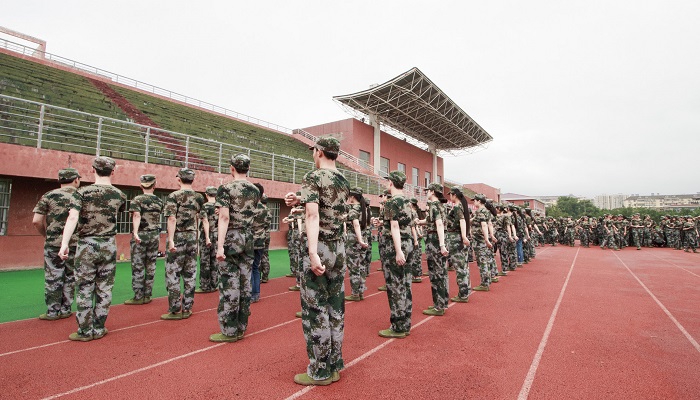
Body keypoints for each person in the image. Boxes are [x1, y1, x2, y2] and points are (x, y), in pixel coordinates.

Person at [285, 137, 349, 386]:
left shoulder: (314, 176)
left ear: (320, 152)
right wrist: (299, 200)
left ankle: (319, 370)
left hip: (320, 244)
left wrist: (312, 252)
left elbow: (314, 215)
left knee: (315, 310)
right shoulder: (343, 180)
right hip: (339, 248)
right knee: (336, 307)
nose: (313, 155)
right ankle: (334, 363)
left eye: (314, 151)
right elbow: (326, 207)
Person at [58, 156, 127, 341]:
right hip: (108, 244)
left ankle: (85, 330)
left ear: (92, 170)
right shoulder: (120, 195)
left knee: (84, 287)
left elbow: (72, 218)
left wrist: (64, 243)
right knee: (104, 288)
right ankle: (99, 327)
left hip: (86, 244)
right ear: (113, 172)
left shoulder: (81, 192)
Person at [210, 154, 260, 342]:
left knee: (229, 284)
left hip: (231, 237)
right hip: (248, 237)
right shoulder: (255, 190)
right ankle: (241, 326)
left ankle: (229, 330)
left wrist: (220, 246)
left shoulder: (225, 188)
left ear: (232, 168)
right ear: (247, 169)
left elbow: (224, 217)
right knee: (245, 283)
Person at [32, 167, 81, 320]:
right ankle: (66, 309)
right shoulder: (81, 196)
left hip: (53, 243)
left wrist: (46, 235)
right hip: (75, 243)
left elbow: (36, 221)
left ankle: (53, 311)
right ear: (76, 180)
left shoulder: (48, 196)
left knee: (53, 276)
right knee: (70, 276)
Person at [161, 168, 207, 321]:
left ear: (179, 179)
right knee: (190, 273)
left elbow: (171, 219)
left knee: (173, 273)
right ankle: (187, 307)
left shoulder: (173, 196)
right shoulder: (199, 197)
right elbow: (203, 219)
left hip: (179, 235)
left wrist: (172, 239)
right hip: (192, 236)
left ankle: (175, 309)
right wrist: (201, 240)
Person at [377, 171, 415, 338]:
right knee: (405, 283)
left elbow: (394, 226)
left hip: (395, 246)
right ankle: (405, 322)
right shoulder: (407, 201)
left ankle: (398, 326)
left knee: (395, 286)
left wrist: (398, 251)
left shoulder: (392, 202)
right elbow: (409, 225)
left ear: (391, 183)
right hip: (408, 243)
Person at [125, 174, 163, 305]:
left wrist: (135, 232)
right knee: (151, 265)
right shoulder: (159, 201)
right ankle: (148, 295)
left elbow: (136, 215)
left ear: (141, 186)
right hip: (154, 235)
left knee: (138, 265)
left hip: (141, 234)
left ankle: (138, 296)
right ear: (154, 185)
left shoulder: (137, 200)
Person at [415, 183, 449, 316]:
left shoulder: (434, 205)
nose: (426, 193)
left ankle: (438, 306)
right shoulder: (441, 206)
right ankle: (443, 301)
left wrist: (441, 245)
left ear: (433, 192)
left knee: (436, 274)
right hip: (438, 238)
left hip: (435, 241)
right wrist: (420, 222)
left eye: (427, 191)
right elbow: (434, 221)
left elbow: (439, 224)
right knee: (441, 272)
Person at [446, 187, 471, 303]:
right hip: (459, 238)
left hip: (456, 239)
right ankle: (466, 290)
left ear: (454, 195)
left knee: (460, 267)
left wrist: (464, 237)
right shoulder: (462, 206)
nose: (450, 197)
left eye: (450, 194)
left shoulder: (457, 207)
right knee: (464, 266)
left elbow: (462, 220)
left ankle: (463, 294)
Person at [344, 187, 369, 302]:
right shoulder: (363, 209)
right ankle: (361, 291)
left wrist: (359, 240)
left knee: (354, 267)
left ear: (352, 197)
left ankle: (355, 293)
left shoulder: (353, 209)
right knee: (362, 266)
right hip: (364, 238)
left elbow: (356, 225)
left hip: (354, 240)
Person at [196, 186, 219, 293]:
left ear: (206, 194)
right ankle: (214, 284)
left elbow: (205, 221)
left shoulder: (204, 207)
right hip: (217, 235)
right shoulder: (220, 206)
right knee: (214, 260)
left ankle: (205, 286)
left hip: (207, 235)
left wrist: (207, 237)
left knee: (205, 261)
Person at [471, 194, 494, 291]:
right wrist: (491, 235)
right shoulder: (486, 211)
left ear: (479, 201)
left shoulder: (480, 211)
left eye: (475, 200)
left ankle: (484, 284)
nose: (474, 202)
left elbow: (484, 225)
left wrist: (486, 239)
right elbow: (489, 224)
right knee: (486, 260)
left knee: (482, 261)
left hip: (479, 240)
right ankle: (487, 281)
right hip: (482, 239)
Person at [251, 184, 269, 303]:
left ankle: (249, 293)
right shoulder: (265, 209)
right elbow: (267, 225)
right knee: (255, 267)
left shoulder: (249, 207)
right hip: (261, 240)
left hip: (249, 240)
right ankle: (256, 293)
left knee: (248, 268)